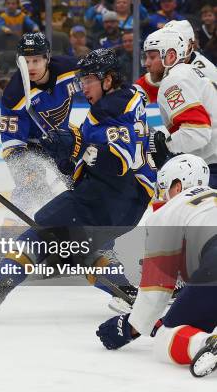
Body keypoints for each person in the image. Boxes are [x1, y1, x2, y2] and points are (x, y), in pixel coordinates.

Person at [0, 48, 155, 318]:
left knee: (38, 235)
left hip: (107, 197)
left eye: (90, 79)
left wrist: (78, 147)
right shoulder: (133, 97)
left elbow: (117, 162)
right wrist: (70, 156)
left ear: (109, 80)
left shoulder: (108, 111)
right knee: (85, 249)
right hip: (132, 204)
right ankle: (128, 294)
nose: (84, 86)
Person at [96, 154, 217, 378]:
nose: (160, 196)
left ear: (178, 186)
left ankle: (206, 343)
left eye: (163, 187)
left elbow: (157, 287)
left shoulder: (166, 214)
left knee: (166, 339)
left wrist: (131, 327)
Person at [0, 32, 79, 217]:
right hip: (31, 146)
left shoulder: (70, 69)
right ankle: (15, 228)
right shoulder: (14, 95)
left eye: (36, 61)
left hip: (63, 137)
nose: (31, 67)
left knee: (81, 182)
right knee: (29, 186)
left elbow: (99, 84)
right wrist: (24, 171)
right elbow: (12, 143)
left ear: (47, 58)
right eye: (26, 61)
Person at [144, 28, 217, 187]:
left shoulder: (175, 80)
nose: (146, 63)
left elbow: (197, 132)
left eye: (152, 57)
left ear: (170, 56)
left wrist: (166, 147)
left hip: (211, 167)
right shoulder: (188, 72)